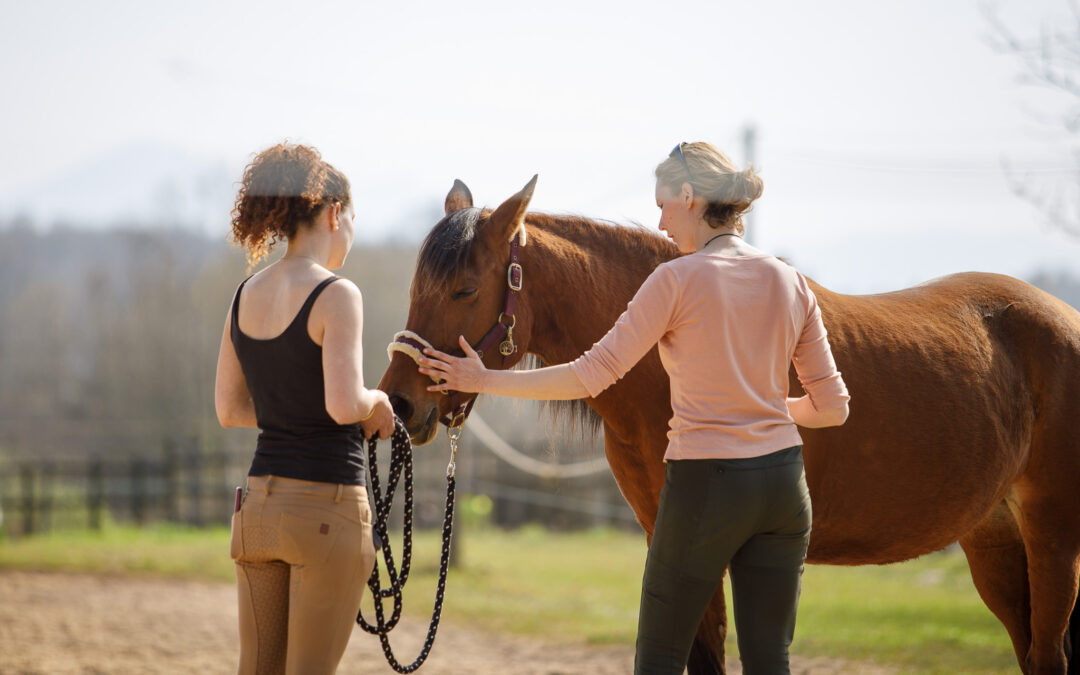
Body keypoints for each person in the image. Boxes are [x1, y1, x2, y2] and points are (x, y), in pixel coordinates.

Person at [417, 141, 850, 675]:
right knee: (769, 660)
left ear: (690, 197)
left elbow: (590, 373)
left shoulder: (674, 279)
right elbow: (832, 408)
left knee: (660, 659)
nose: (661, 221)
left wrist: (482, 380)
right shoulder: (790, 281)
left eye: (665, 203)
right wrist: (763, 408)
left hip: (707, 485)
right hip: (784, 487)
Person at [214, 142, 394, 674]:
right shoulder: (338, 295)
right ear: (334, 213)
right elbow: (345, 405)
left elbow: (229, 408)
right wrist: (377, 403)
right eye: (353, 220)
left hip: (259, 510)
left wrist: (289, 410)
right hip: (326, 508)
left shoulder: (244, 293)